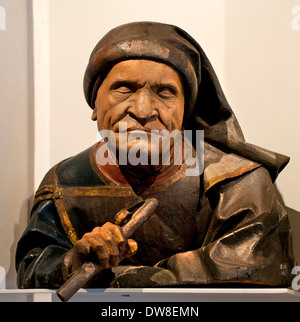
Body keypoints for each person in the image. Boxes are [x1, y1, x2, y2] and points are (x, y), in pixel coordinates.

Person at [16, 21, 295, 288]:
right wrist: (75, 260)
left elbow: (257, 264)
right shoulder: (63, 183)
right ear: (94, 103)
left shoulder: (238, 184)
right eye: (124, 88)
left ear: (185, 109)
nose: (143, 110)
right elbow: (31, 268)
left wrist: (128, 278)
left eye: (165, 92)